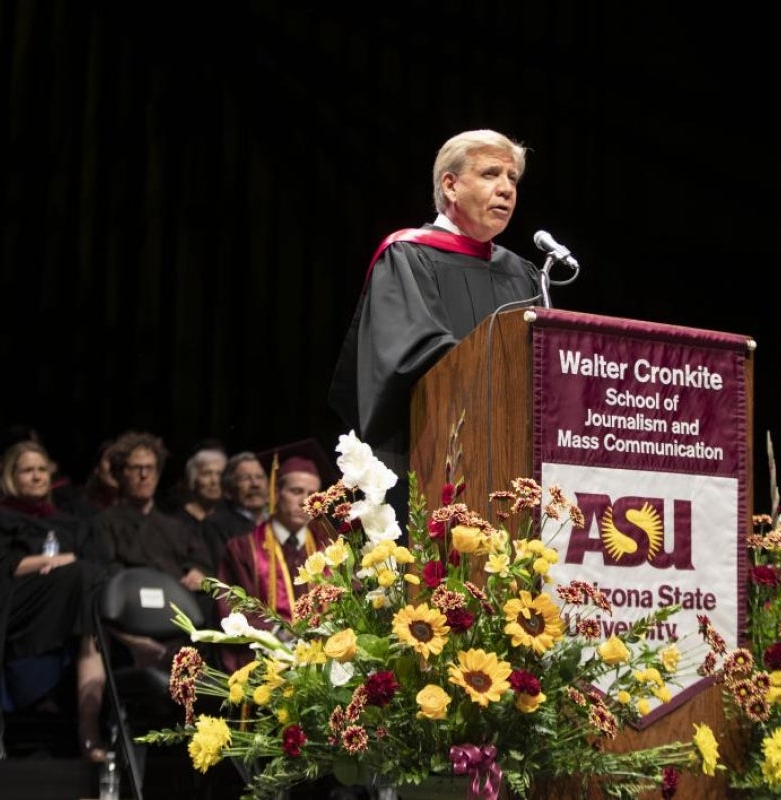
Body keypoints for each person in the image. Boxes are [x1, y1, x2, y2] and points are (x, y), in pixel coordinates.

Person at [328, 128, 542, 518]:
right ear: (451, 185)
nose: (507, 189)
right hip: (430, 457)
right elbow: (409, 353)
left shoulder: (523, 273)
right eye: (491, 174)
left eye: (512, 179)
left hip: (510, 465)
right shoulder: (407, 256)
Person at [0, 440, 109, 762]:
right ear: (11, 475)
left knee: (91, 599)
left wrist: (65, 565)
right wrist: (49, 563)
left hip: (68, 605)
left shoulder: (70, 522)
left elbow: (99, 567)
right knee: (82, 579)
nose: (37, 476)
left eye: (42, 469)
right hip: (16, 605)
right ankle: (87, 731)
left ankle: (89, 725)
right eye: (27, 470)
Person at [93, 431, 214, 665]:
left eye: (150, 468)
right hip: (132, 617)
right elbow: (107, 572)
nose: (144, 475)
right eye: (135, 468)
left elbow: (201, 562)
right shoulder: (104, 523)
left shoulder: (176, 526)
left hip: (179, 615)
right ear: (120, 474)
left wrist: (198, 572)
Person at [214, 441, 334, 672]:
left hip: (325, 666)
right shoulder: (242, 549)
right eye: (296, 491)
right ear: (275, 493)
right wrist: (281, 635)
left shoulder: (330, 549)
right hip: (268, 666)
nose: (305, 501)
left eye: (313, 494)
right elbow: (231, 610)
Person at [198, 451, 271, 572]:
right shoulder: (216, 526)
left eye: (260, 477)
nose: (255, 484)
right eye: (245, 478)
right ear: (228, 490)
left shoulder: (277, 522)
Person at [168, 444, 228, 530]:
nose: (214, 481)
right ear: (193, 479)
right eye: (206, 474)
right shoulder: (177, 522)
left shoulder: (231, 519)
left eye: (220, 474)